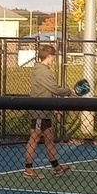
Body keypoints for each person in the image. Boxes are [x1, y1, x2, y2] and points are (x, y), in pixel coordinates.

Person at [23, 43, 73, 179]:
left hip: (45, 110)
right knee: (34, 138)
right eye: (53, 57)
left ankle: (56, 167)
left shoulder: (42, 70)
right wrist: (70, 92)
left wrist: (54, 108)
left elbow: (47, 91)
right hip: (39, 111)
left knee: (50, 139)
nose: (54, 60)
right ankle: (28, 169)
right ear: (49, 56)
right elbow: (55, 89)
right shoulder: (43, 72)